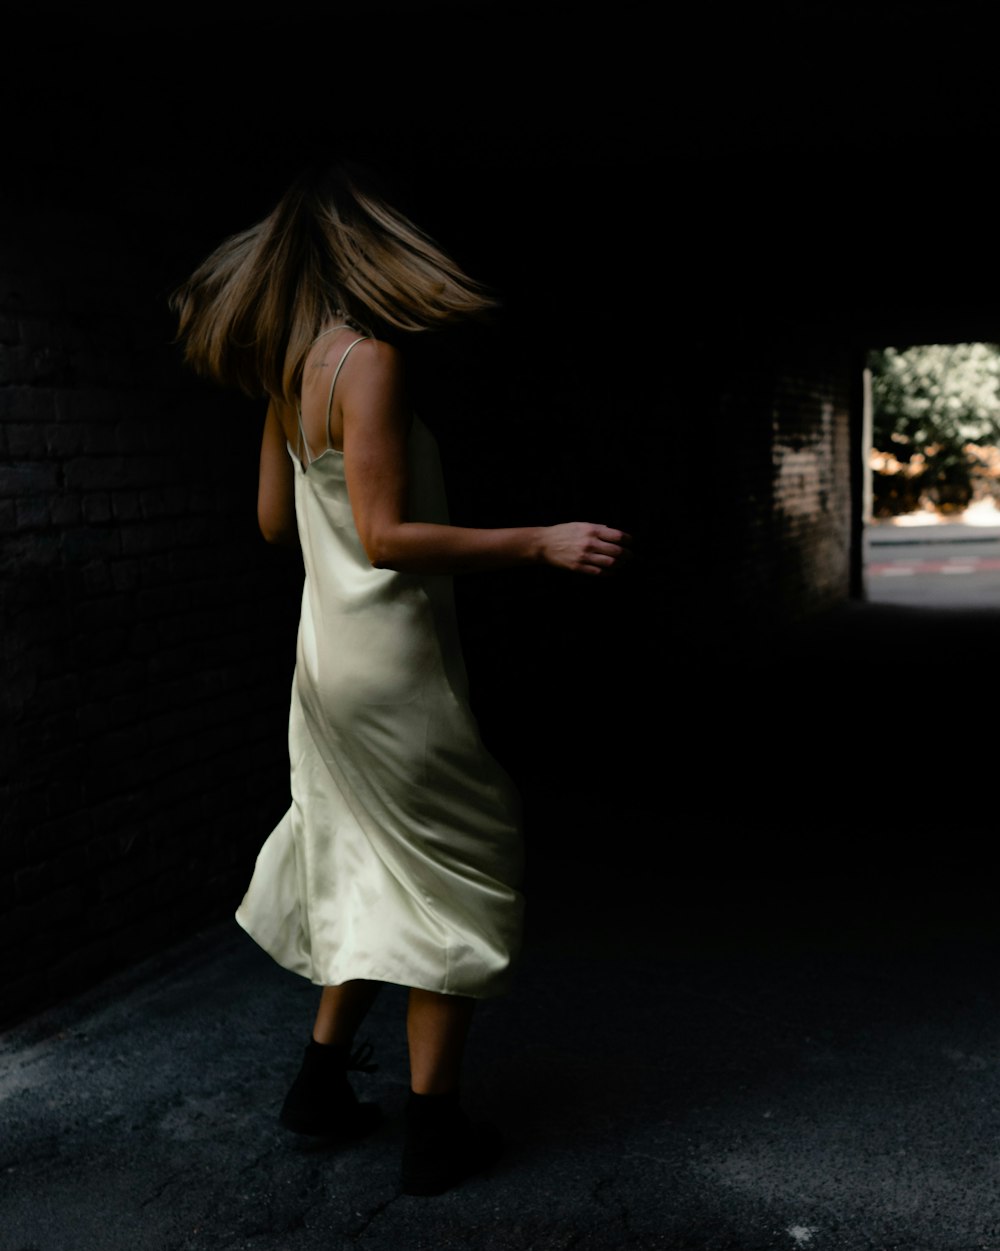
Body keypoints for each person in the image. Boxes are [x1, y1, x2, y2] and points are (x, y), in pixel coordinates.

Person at [171, 163, 630, 1196]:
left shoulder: (292, 375)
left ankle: (319, 1087)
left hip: (324, 664)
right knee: (455, 873)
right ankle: (435, 1132)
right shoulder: (366, 362)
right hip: (390, 671)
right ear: (361, 255)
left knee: (368, 863)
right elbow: (382, 539)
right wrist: (538, 543)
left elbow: (274, 523)